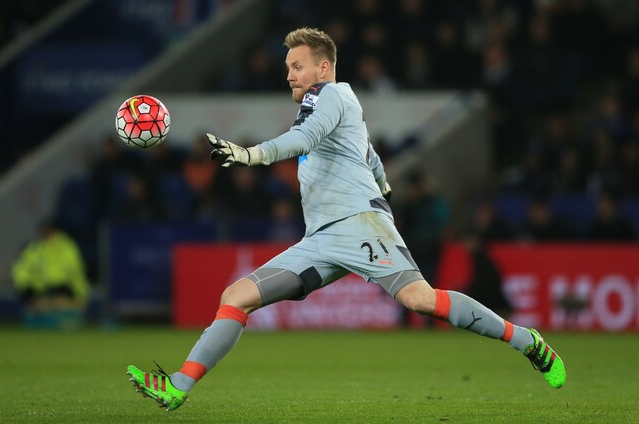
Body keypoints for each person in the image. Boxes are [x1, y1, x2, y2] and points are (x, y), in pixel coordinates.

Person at [127, 27, 566, 411]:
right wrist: (383, 184)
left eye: (297, 66)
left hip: (357, 225)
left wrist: (250, 154)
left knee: (421, 301)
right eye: (287, 66)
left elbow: (304, 137)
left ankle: (527, 341)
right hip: (320, 239)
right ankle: (178, 386)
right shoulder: (334, 104)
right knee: (237, 295)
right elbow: (368, 154)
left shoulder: (332, 95)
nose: (289, 75)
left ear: (323, 67)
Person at [12, 219, 90, 329]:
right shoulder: (34, 249)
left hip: (62, 290)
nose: (46, 234)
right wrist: (25, 288)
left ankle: (55, 312)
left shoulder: (67, 248)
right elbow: (21, 270)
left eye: (48, 230)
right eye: (44, 231)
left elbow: (77, 274)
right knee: (39, 304)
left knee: (61, 304)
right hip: (40, 291)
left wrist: (81, 295)